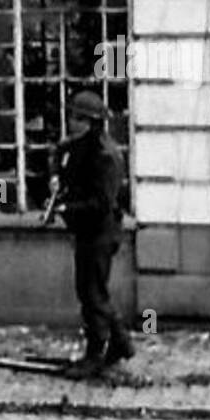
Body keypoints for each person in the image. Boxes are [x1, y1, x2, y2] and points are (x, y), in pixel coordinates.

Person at [50, 89, 134, 379]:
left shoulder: (105, 156)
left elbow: (100, 203)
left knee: (92, 293)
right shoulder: (82, 147)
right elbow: (63, 158)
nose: (72, 123)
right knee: (92, 290)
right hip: (89, 231)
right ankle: (119, 343)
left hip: (100, 232)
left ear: (91, 122)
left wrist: (66, 207)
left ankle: (96, 352)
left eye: (78, 118)